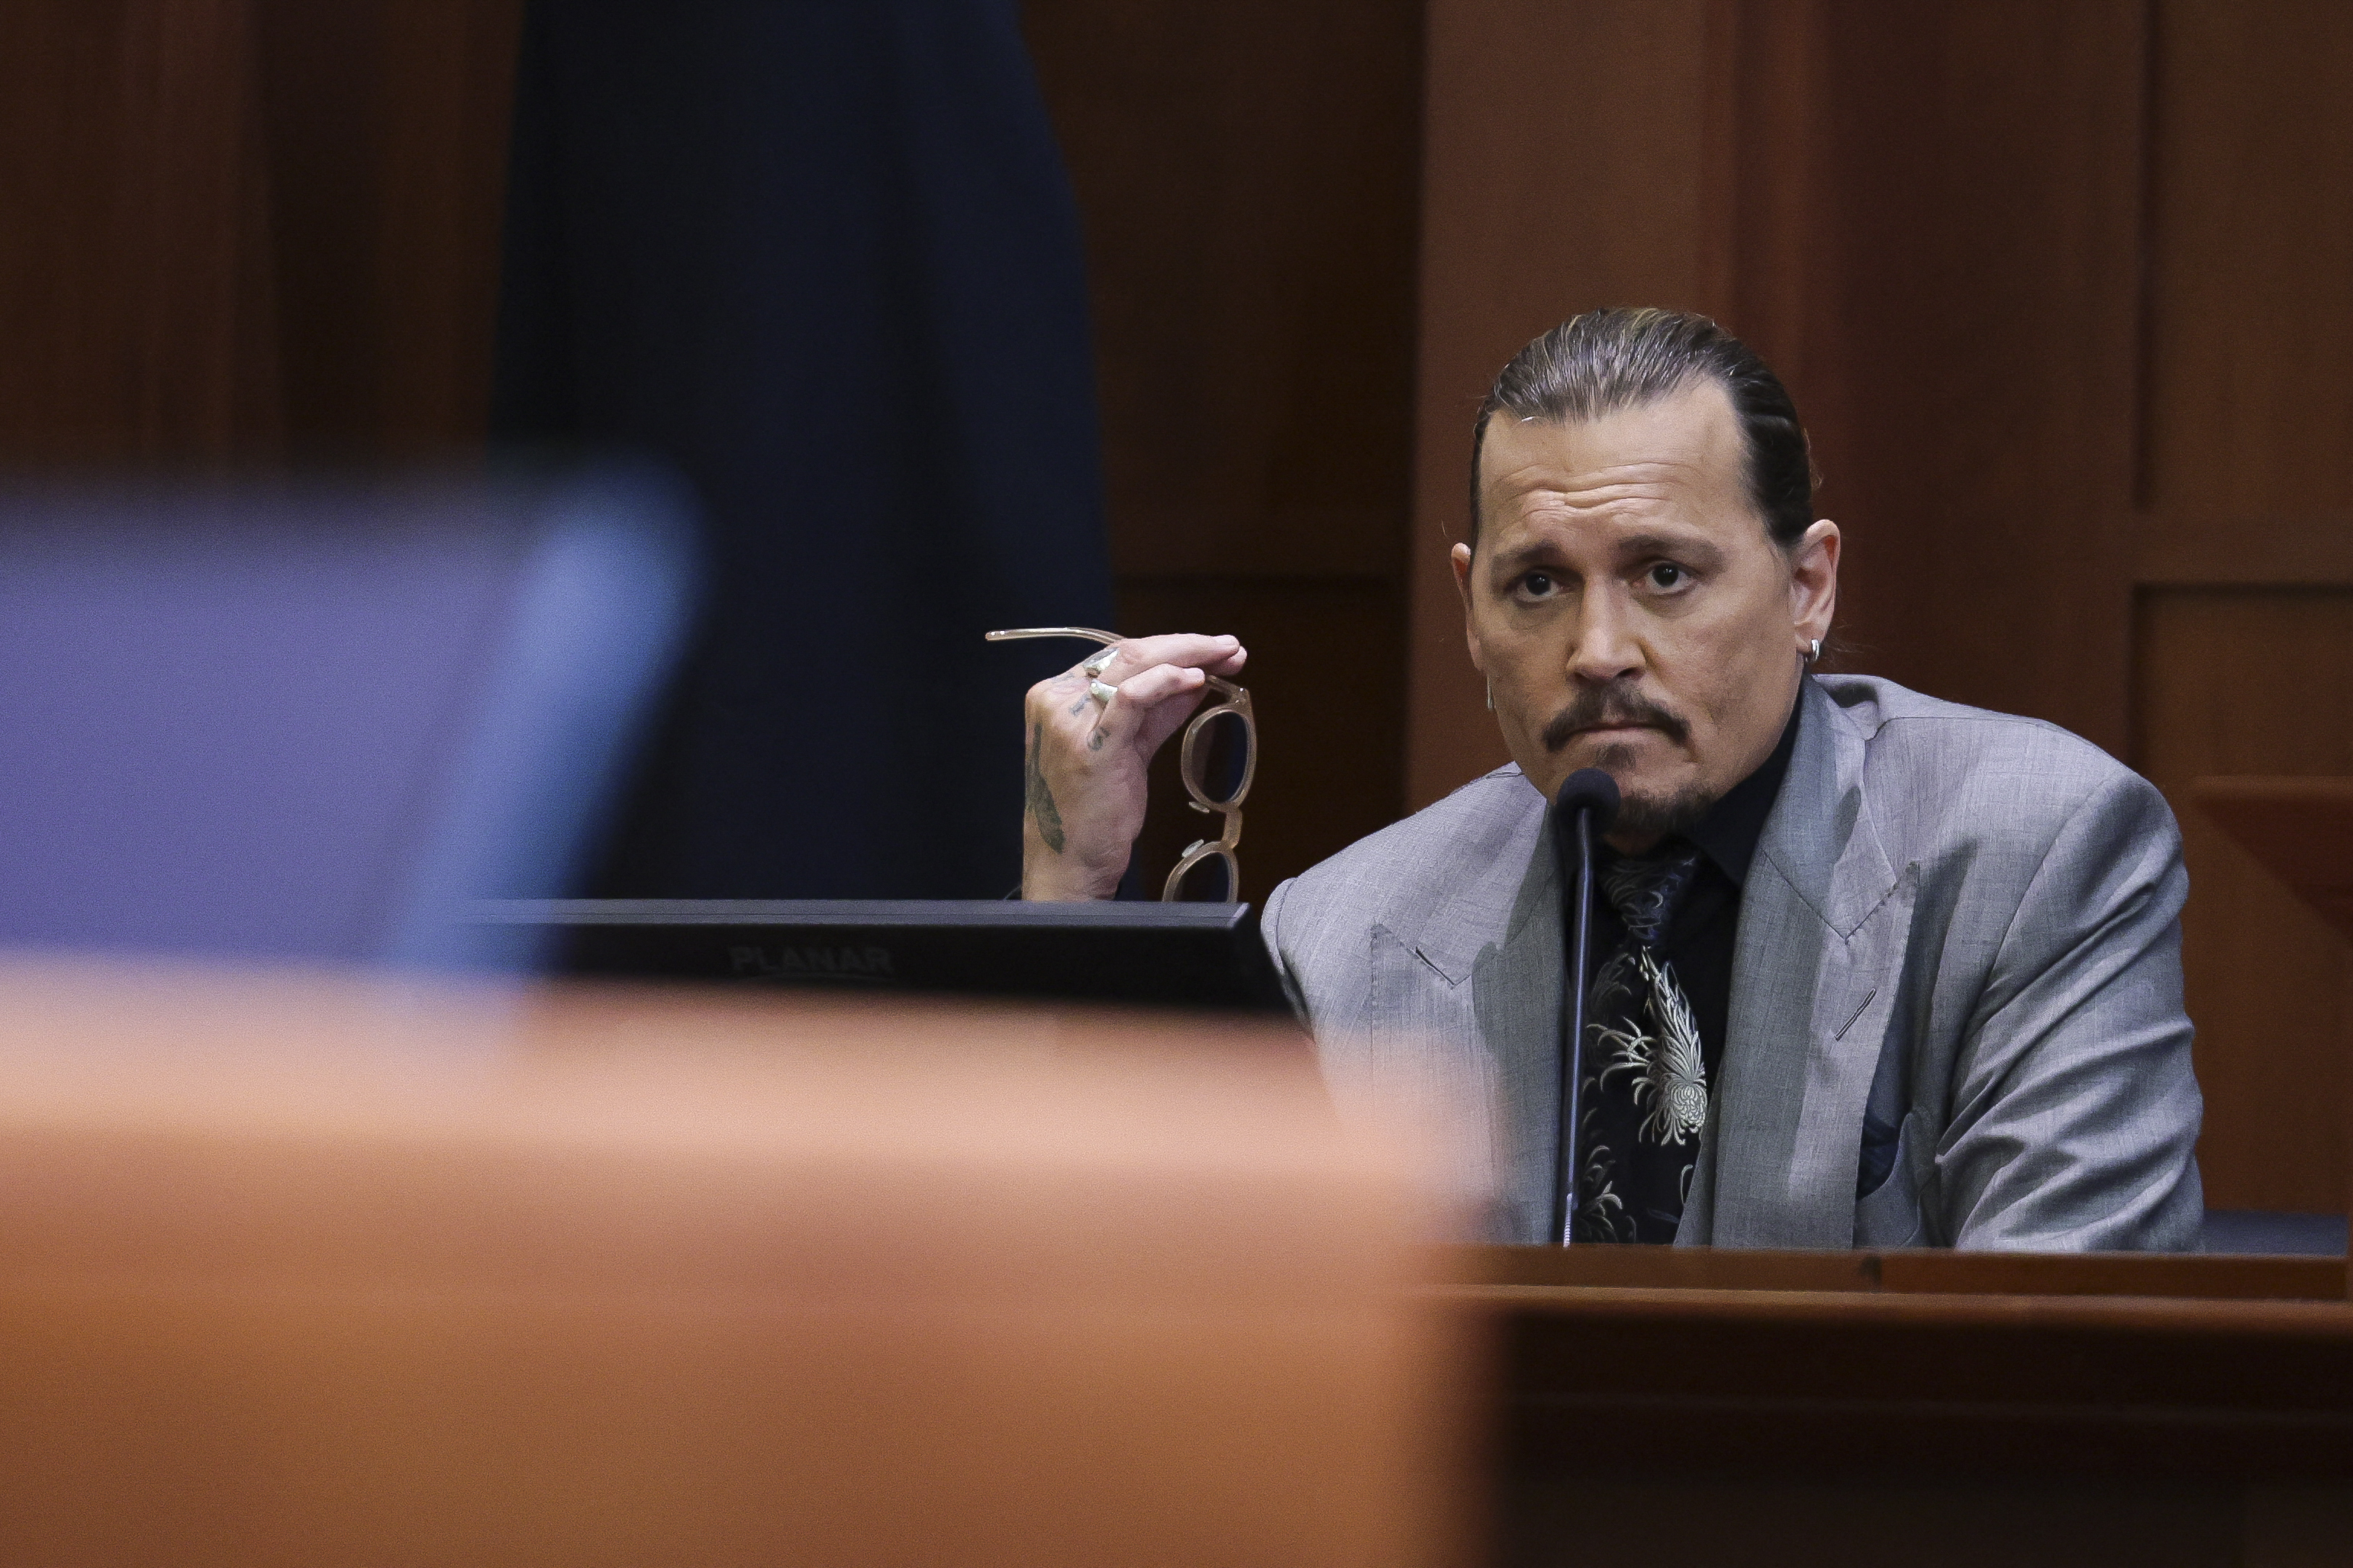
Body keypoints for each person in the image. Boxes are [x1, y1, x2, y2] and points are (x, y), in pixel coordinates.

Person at [1020, 307, 2203, 1250]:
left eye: (1663, 575)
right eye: (1538, 585)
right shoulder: (1345, 935)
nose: (1597, 652)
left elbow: (2065, 1362)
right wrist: (1073, 890)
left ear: (1808, 589)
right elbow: (1132, 1325)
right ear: (1471, 611)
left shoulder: (2033, 851)